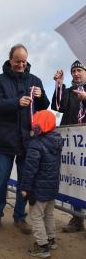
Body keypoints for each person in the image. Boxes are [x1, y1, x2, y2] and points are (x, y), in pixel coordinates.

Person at [0, 44, 50, 235]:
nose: (21, 64)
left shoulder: (35, 80)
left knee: (25, 181)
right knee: (1, 180)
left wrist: (40, 96)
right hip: (5, 141)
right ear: (10, 59)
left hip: (28, 141)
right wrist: (16, 102)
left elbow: (44, 106)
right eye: (17, 61)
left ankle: (19, 217)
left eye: (24, 61)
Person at [21, 110, 63, 259]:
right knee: (49, 214)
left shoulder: (36, 144)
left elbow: (30, 169)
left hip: (39, 189)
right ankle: (51, 240)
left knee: (36, 216)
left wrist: (25, 188)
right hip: (52, 187)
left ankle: (42, 246)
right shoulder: (57, 140)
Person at [51, 60, 86, 233]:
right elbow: (58, 106)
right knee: (75, 178)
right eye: (74, 71)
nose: (76, 74)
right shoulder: (68, 90)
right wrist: (58, 84)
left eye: (79, 70)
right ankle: (77, 219)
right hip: (73, 145)